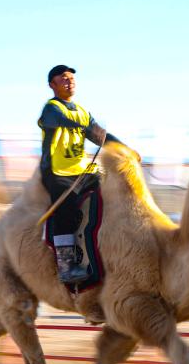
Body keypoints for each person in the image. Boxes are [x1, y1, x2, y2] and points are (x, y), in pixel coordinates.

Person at [38, 64, 129, 283]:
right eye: (63, 78)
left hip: (83, 171)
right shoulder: (51, 109)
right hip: (58, 172)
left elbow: (102, 136)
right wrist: (86, 129)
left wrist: (125, 150)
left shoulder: (82, 112)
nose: (69, 81)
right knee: (66, 207)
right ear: (52, 85)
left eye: (71, 78)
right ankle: (66, 266)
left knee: (113, 191)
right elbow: (62, 122)